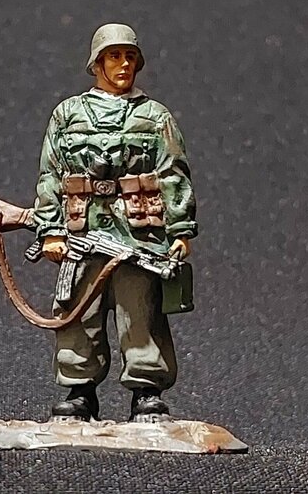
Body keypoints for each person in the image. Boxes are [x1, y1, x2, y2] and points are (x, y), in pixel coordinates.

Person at [32, 23, 198, 422]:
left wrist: (180, 229)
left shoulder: (154, 116)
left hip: (138, 234)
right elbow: (51, 175)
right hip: (82, 229)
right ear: (97, 63)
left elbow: (172, 173)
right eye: (113, 56)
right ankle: (79, 392)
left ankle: (146, 393)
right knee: (77, 311)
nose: (123, 64)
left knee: (140, 310)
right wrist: (50, 229)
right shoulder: (68, 114)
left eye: (129, 57)